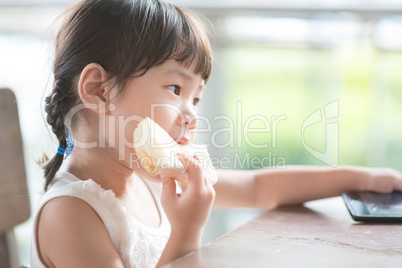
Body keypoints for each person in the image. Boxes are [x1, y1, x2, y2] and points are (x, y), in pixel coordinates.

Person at [31, 0, 402, 267]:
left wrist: (359, 177)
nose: (192, 114)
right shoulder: (71, 213)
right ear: (98, 90)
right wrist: (187, 231)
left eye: (197, 98)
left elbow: (257, 188)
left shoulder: (146, 176)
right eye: (176, 90)